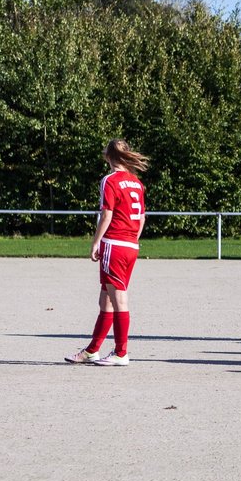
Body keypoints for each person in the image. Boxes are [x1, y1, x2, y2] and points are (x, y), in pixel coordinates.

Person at [65, 139, 149, 366]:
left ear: (109, 156)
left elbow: (107, 215)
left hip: (115, 244)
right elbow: (142, 218)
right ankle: (92, 350)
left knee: (118, 299)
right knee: (106, 300)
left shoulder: (109, 180)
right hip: (130, 245)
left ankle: (121, 353)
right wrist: (132, 239)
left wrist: (96, 242)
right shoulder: (136, 182)